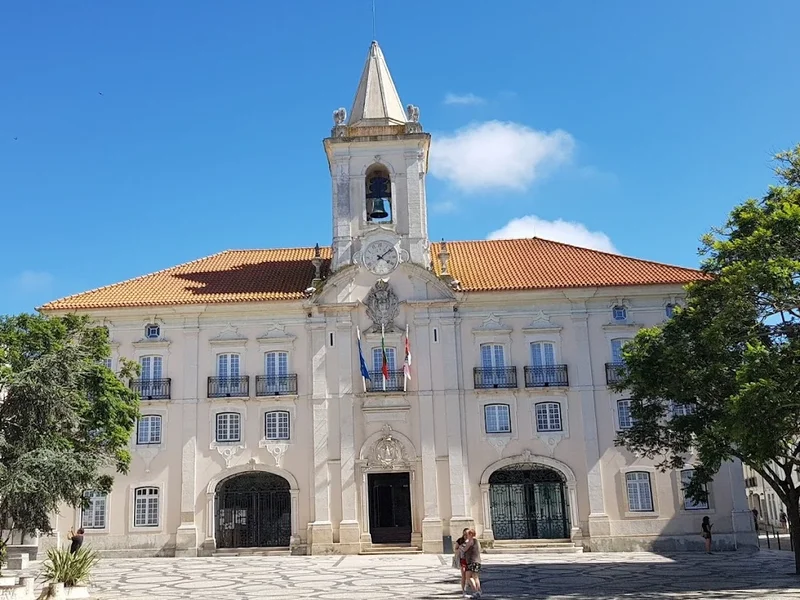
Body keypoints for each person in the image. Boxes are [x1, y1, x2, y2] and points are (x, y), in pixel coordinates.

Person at [462, 529, 482, 599]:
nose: (466, 536)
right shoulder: (476, 541)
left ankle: (475, 591)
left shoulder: (470, 541)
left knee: (468, 577)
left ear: (470, 535)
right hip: (477, 561)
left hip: (471, 562)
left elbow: (464, 550)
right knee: (475, 577)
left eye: (467, 534)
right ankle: (479, 591)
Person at [453, 528, 470, 598]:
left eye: (468, 533)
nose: (466, 535)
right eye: (465, 534)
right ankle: (463, 590)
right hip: (462, 560)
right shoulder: (460, 540)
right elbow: (455, 549)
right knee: (463, 574)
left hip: (470, 560)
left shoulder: (471, 541)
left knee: (469, 576)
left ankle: (470, 588)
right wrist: (460, 549)